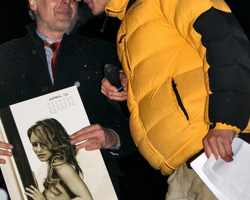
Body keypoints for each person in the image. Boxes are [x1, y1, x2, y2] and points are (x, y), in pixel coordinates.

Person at [78, 0, 250, 199]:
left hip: (219, 153)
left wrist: (226, 121)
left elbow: (225, 40)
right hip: (180, 171)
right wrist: (125, 83)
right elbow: (167, 76)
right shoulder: (127, 27)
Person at [0, 0, 136, 198]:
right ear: (33, 3)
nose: (67, 1)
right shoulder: (4, 59)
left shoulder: (106, 54)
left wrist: (112, 138)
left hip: (100, 187)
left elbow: (135, 123)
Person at [25, 118, 92, 200]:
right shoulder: (53, 167)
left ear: (54, 142)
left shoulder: (60, 166)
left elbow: (87, 198)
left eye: (43, 144)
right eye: (35, 144)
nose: (38, 150)